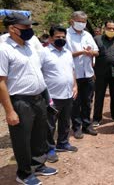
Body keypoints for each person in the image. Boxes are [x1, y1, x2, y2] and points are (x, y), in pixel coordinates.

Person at [0, 12, 57, 185]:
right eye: (25, 27)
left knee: (39, 134)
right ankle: (24, 173)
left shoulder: (29, 46)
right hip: (20, 101)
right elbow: (1, 82)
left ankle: (38, 165)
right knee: (22, 138)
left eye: (30, 26)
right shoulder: (4, 49)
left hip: (38, 98)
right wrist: (9, 111)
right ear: (12, 28)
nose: (30, 30)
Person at [41, 26, 78, 163]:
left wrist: (75, 85)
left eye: (63, 37)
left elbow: (72, 70)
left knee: (65, 121)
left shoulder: (68, 53)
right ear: (51, 38)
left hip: (68, 94)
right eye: (58, 37)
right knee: (49, 124)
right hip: (52, 96)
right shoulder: (43, 53)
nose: (61, 39)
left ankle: (62, 143)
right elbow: (38, 72)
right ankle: (49, 149)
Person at [65, 11, 99, 139]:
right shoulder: (66, 35)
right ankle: (76, 127)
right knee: (75, 102)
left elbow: (97, 52)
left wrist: (91, 53)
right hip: (74, 75)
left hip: (88, 73)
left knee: (87, 101)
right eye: (79, 21)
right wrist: (80, 52)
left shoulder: (88, 35)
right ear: (72, 21)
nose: (82, 24)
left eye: (84, 22)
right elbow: (64, 54)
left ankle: (87, 125)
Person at [92, 20, 114, 126]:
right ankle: (97, 118)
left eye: (113, 29)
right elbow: (92, 56)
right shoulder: (97, 39)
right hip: (100, 72)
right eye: (109, 28)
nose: (111, 30)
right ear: (104, 29)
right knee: (99, 95)